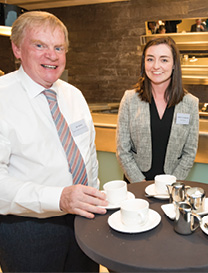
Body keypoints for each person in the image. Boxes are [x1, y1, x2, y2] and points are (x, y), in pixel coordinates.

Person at [0, 11, 108, 272]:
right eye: (40, 45)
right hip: (27, 231)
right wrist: (58, 198)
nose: (52, 55)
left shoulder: (74, 95)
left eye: (59, 47)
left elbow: (88, 156)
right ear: (17, 49)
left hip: (84, 222)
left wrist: (94, 197)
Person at [116, 37, 199, 183]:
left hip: (170, 186)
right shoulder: (129, 99)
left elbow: (189, 153)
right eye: (150, 59)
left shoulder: (190, 103)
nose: (156, 66)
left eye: (164, 60)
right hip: (136, 185)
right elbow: (123, 150)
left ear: (174, 65)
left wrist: (170, 185)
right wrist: (140, 184)